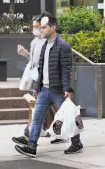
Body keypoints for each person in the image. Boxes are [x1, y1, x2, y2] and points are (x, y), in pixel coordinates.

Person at [14, 12, 84, 157]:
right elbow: (40, 67)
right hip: (44, 90)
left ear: (53, 28)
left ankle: (76, 143)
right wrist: (38, 87)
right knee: (37, 117)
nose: (41, 30)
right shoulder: (44, 44)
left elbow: (66, 68)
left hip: (58, 90)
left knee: (68, 116)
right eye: (41, 27)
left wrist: (66, 88)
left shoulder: (63, 46)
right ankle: (32, 146)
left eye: (44, 27)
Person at [12, 15, 66, 146]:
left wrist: (65, 87)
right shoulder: (35, 42)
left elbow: (61, 67)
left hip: (52, 85)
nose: (37, 29)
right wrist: (24, 53)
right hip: (41, 83)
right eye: (35, 26)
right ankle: (30, 139)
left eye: (40, 26)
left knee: (62, 113)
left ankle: (70, 138)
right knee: (39, 113)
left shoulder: (53, 44)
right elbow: (35, 61)